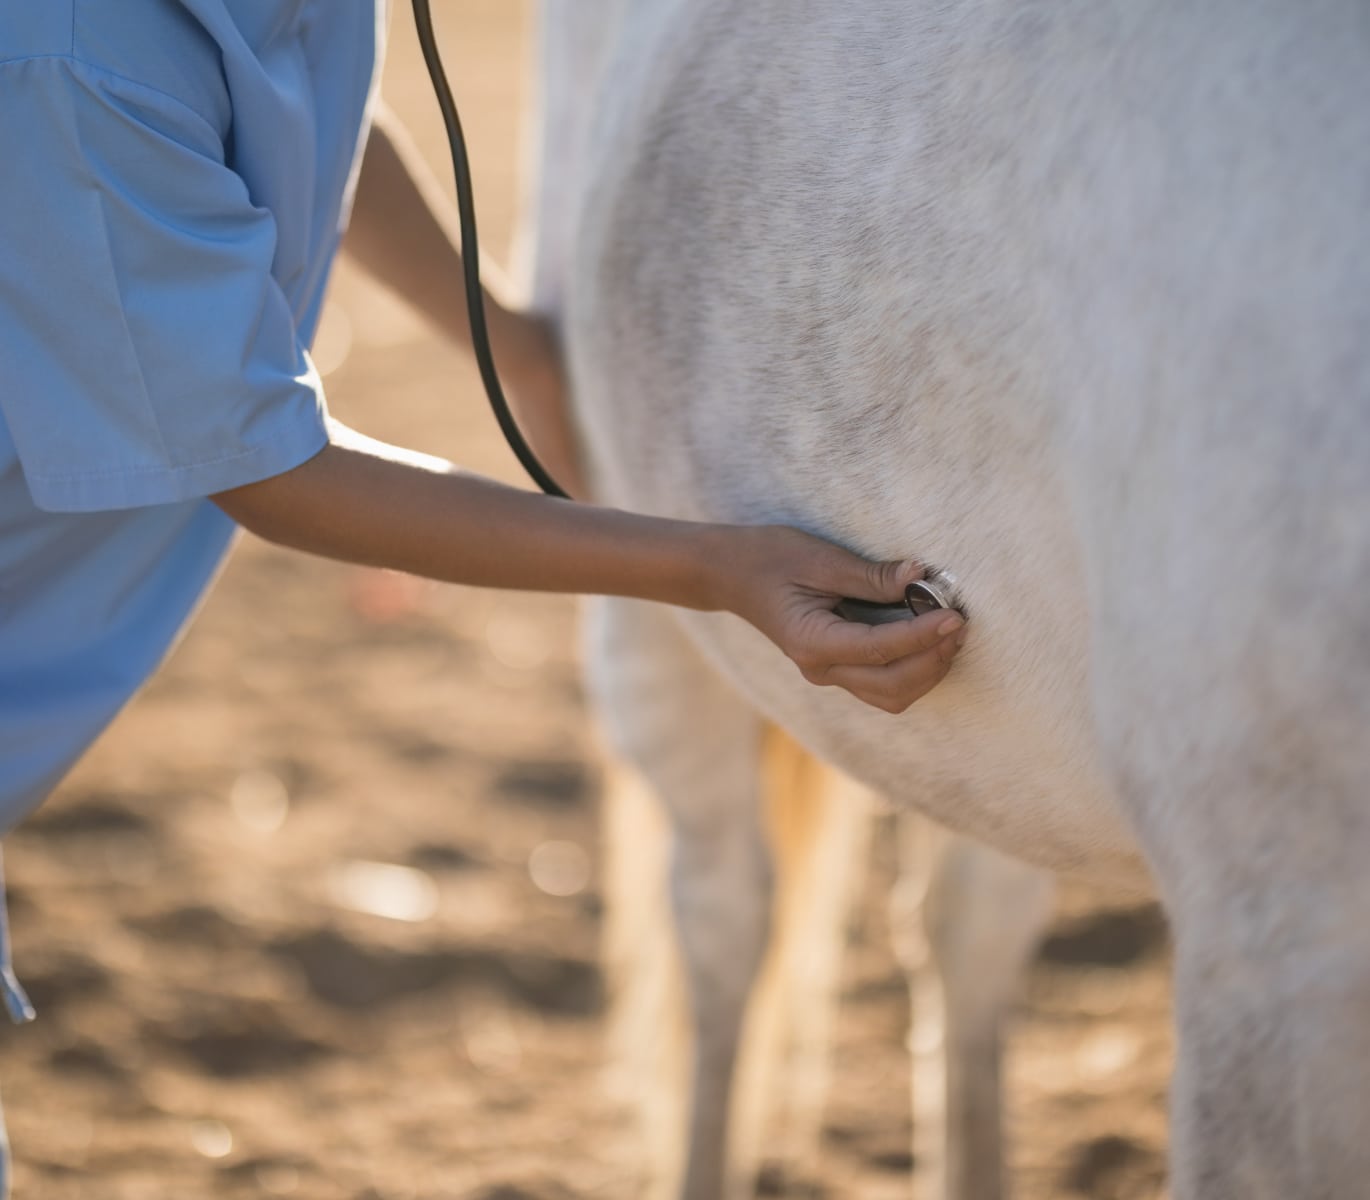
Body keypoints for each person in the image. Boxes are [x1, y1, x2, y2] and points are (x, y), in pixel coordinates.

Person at [0, 1, 963, 1188]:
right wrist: (709, 566)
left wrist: (504, 338)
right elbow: (271, 472)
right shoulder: (72, 67)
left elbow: (303, 113)